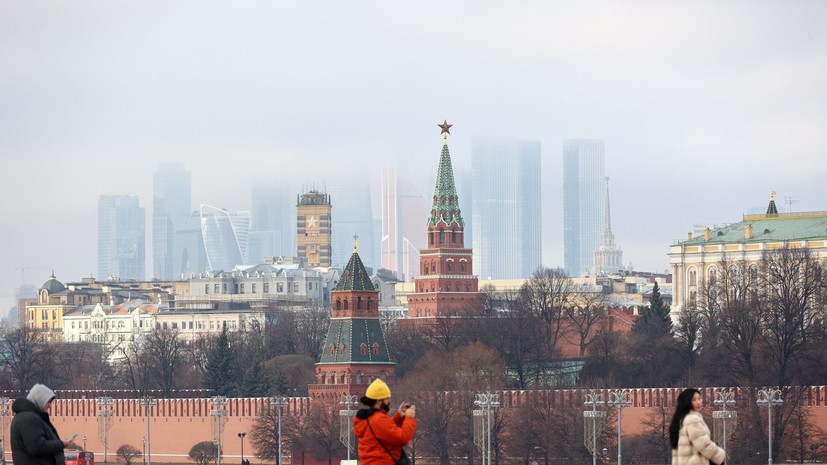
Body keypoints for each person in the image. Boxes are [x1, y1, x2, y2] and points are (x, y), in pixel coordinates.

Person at [353, 378, 416, 465]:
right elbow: (402, 439)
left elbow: (385, 433)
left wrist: (398, 417)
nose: (389, 401)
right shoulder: (378, 419)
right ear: (379, 400)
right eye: (387, 399)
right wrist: (409, 418)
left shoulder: (368, 419)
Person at [10, 384, 69, 465]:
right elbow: (37, 447)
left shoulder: (32, 417)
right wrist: (61, 444)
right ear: (40, 399)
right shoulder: (28, 418)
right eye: (48, 402)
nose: (50, 406)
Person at [670, 388, 726, 465]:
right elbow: (704, 444)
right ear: (687, 402)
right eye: (694, 400)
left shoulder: (680, 419)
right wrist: (720, 455)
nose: (698, 402)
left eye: (699, 399)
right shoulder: (693, 419)